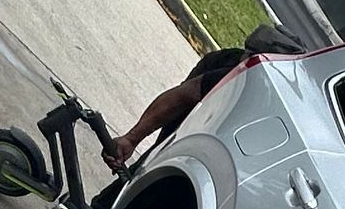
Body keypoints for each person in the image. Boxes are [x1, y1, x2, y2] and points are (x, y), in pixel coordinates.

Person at [103, 21, 302, 172]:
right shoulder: (235, 75)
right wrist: (131, 139)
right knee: (159, 160)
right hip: (194, 120)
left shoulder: (278, 109)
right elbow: (180, 98)